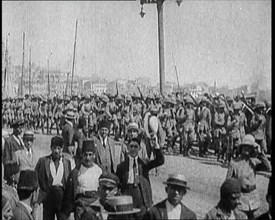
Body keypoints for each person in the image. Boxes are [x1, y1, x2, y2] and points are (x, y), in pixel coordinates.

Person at [116, 135, 164, 219]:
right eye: (131, 146)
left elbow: (160, 161)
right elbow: (118, 184)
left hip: (142, 197)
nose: (133, 149)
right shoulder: (121, 166)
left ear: (139, 149)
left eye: (135, 147)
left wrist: (156, 147)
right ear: (127, 148)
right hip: (128, 198)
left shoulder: (144, 164)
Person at [226, 134, 271, 220]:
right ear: (241, 148)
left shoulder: (254, 162)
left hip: (254, 199)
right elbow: (227, 184)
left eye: (249, 147)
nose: (246, 148)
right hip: (240, 200)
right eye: (245, 146)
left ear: (252, 149)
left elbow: (268, 167)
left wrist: (260, 153)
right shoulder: (234, 163)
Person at [62, 139, 102, 220]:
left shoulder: (99, 171)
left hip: (95, 206)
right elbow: (69, 194)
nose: (88, 158)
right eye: (85, 155)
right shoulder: (75, 172)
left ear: (94, 155)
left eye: (90, 155)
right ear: (82, 155)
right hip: (81, 207)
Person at [35, 136, 72, 220]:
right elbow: (36, 178)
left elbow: (69, 182)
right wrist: (39, 197)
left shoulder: (67, 163)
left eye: (59, 148)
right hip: (48, 197)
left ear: (62, 149)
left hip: (62, 199)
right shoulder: (43, 161)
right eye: (54, 148)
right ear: (51, 148)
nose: (56, 151)